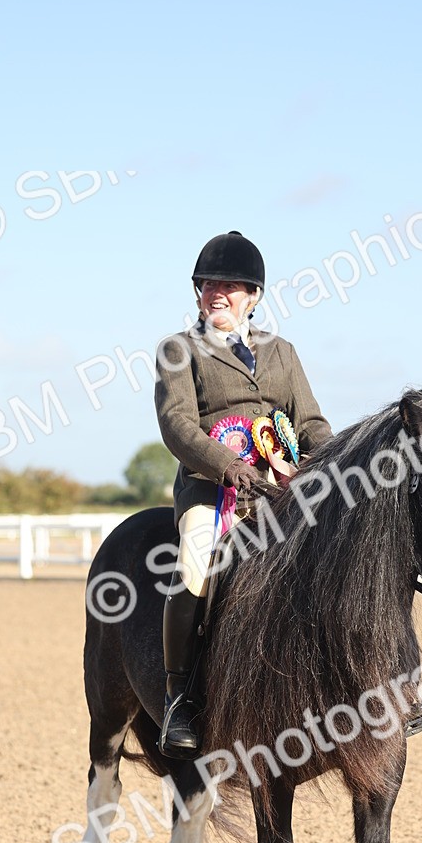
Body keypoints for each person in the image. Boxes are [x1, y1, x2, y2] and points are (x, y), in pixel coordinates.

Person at [154, 230, 333, 757]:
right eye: (209, 284)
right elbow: (177, 424)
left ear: (252, 296)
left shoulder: (283, 352)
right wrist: (228, 467)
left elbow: (311, 423)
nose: (217, 293)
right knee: (194, 568)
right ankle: (180, 698)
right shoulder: (179, 350)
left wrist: (332, 463)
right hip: (211, 491)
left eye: (229, 286)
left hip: (280, 491)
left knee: (342, 560)